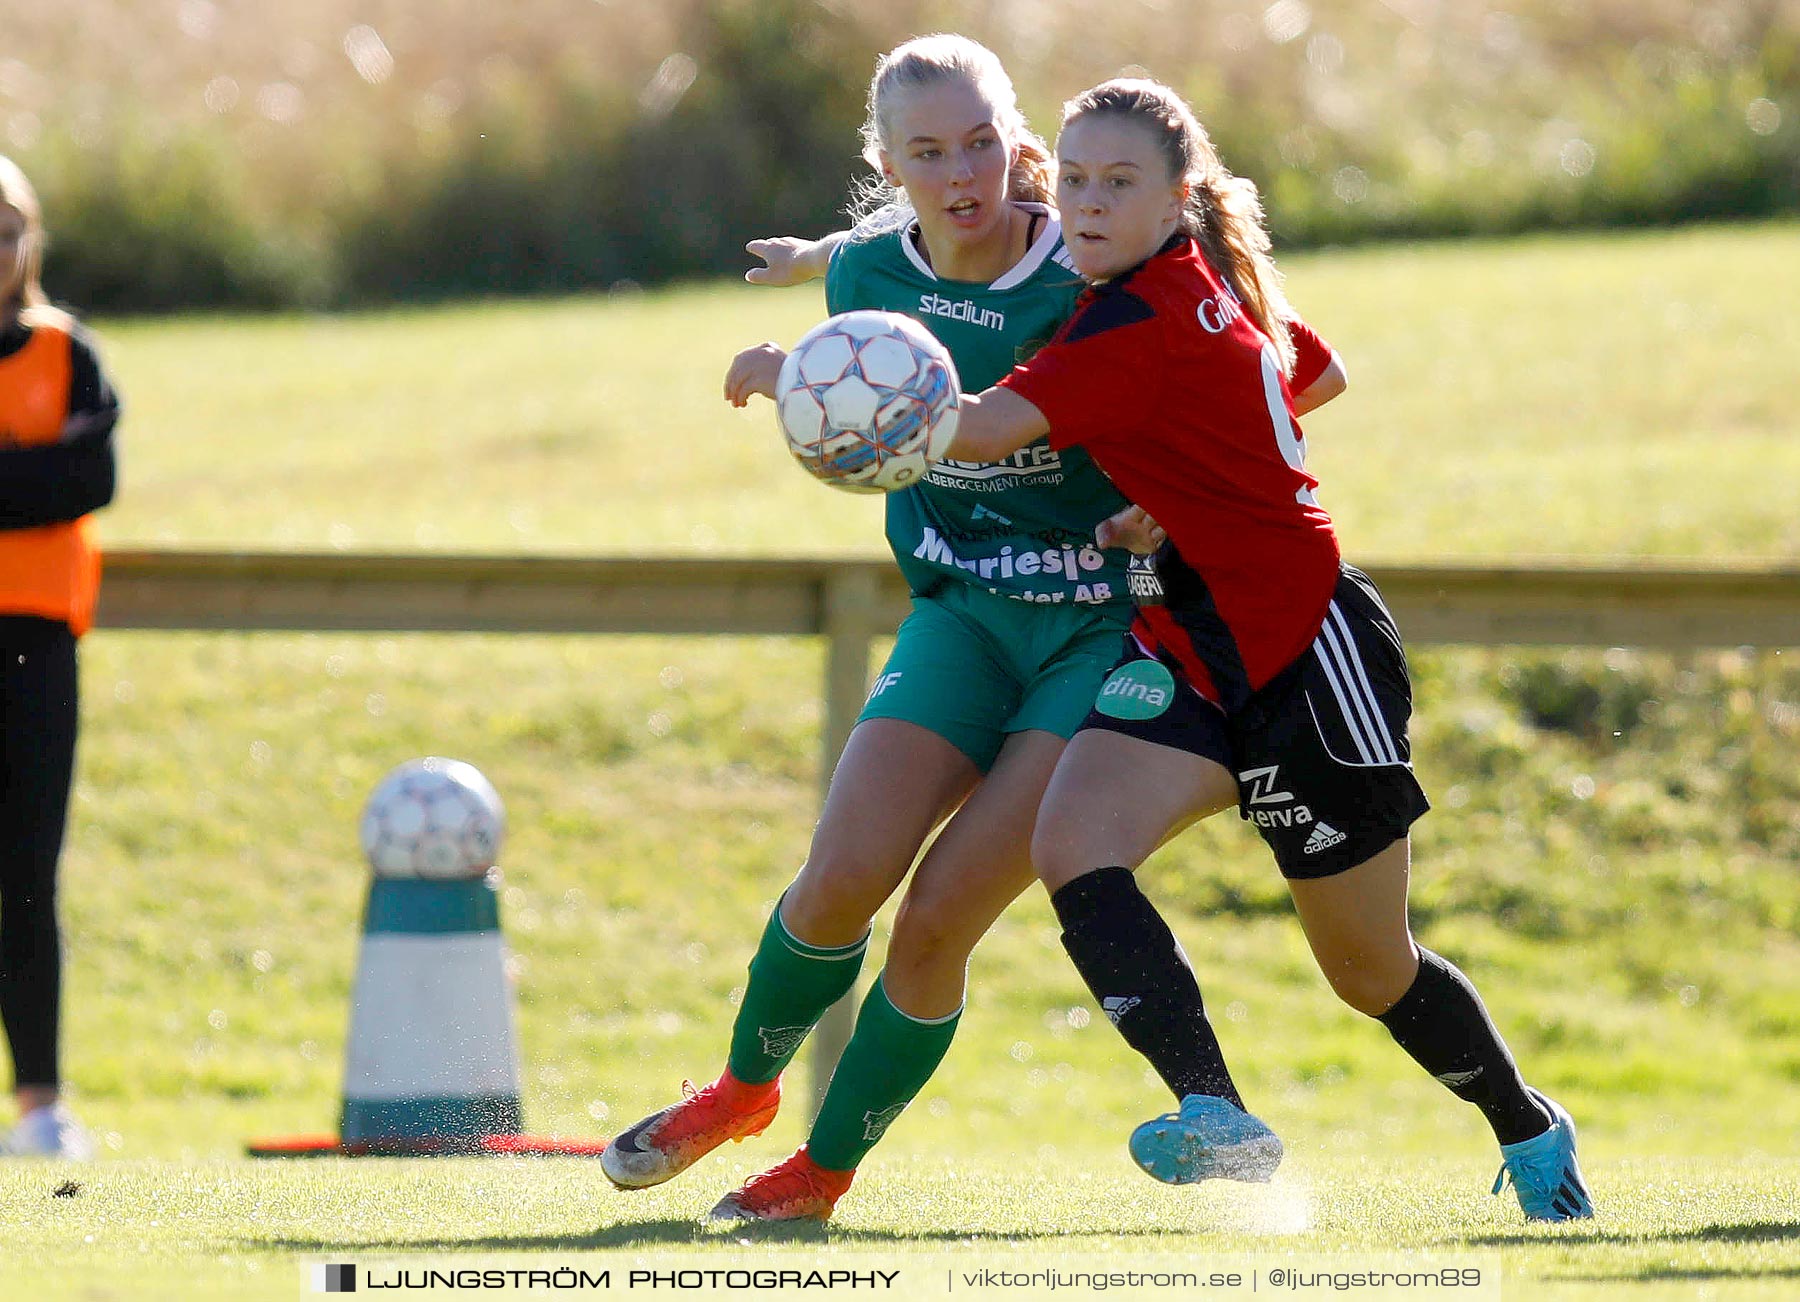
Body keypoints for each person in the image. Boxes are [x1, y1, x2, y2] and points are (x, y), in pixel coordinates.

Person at [602, 36, 1346, 1224]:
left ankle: (819, 1175)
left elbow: (1299, 374)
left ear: (1022, 144)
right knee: (840, 876)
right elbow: (874, 299)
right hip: (961, 615)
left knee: (941, 914)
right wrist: (803, 351)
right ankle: (744, 1091)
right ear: (886, 162)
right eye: (929, 153)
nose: (963, 175)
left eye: (984, 143)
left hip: (1103, 637)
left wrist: (1180, 490)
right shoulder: (866, 278)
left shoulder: (1105, 266)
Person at [936, 78, 1594, 1222]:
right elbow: (1311, 371)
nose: (1088, 206)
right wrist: (1184, 491)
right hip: (1187, 644)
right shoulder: (1176, 285)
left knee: (1370, 973)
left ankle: (1528, 1128)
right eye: (1075, 180)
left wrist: (822, 391)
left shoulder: (1136, 320)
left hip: (1303, 652)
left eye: (1119, 183)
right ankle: (1217, 1117)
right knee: (1076, 843)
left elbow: (987, 429)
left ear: (1176, 196)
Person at [0, 155, 119, 1161]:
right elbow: (52, 473)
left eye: (6, 233)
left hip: (37, 633)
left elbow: (90, 478)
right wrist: (33, 473)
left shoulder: (63, 349)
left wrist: (29, 480)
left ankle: (40, 1107)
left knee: (28, 874)